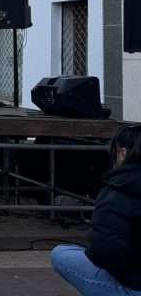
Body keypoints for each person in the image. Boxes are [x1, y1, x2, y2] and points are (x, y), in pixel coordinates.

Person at [51, 125, 141, 295]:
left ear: (122, 153)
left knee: (60, 254)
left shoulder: (119, 188)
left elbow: (105, 252)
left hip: (133, 282)